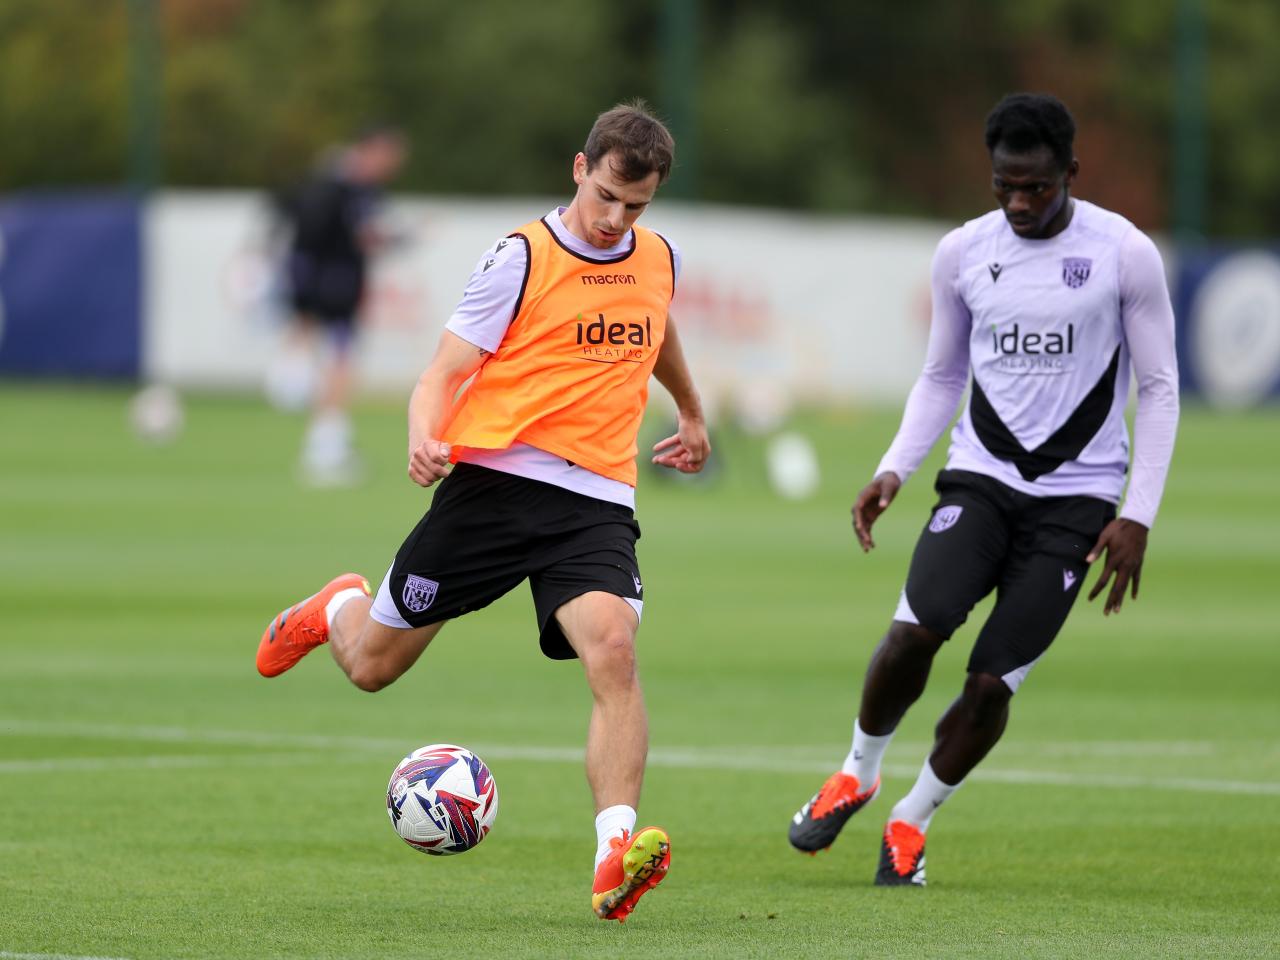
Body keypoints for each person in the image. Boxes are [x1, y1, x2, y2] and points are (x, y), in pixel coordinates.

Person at [256, 101, 709, 921]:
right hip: (494, 488)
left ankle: (614, 854)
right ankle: (340, 606)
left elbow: (657, 326)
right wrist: (423, 438)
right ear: (580, 169)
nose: (616, 220)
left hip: (596, 497)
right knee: (371, 668)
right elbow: (442, 370)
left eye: (636, 206)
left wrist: (691, 409)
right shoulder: (520, 258)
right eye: (607, 196)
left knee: (614, 651)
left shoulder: (658, 257)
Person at [788, 93, 1179, 885]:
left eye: (1037, 187)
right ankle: (858, 772)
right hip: (981, 478)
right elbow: (941, 375)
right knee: (914, 633)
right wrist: (894, 466)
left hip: (1078, 500)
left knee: (992, 684)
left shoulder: (1124, 254)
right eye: (1006, 186)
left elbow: (1161, 388)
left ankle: (912, 818)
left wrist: (1137, 515)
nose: (1020, 202)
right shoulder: (963, 253)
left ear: (1071, 172)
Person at [273, 125, 408, 484]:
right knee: (338, 364)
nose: (393, 164)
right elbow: (314, 238)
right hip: (329, 288)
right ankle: (324, 445)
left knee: (339, 363)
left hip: (340, 288)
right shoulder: (335, 187)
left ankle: (327, 440)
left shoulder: (362, 190)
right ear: (372, 149)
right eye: (389, 155)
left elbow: (366, 237)